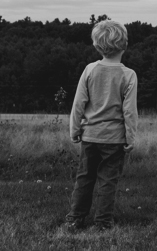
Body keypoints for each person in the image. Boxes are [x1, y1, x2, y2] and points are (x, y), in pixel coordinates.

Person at [64, 19, 138, 231]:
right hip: (114, 139)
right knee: (108, 180)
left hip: (90, 136)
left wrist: (75, 129)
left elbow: (78, 104)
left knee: (85, 178)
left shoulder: (90, 70)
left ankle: (75, 219)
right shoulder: (128, 74)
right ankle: (103, 223)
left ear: (97, 45)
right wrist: (130, 138)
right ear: (124, 44)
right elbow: (129, 111)